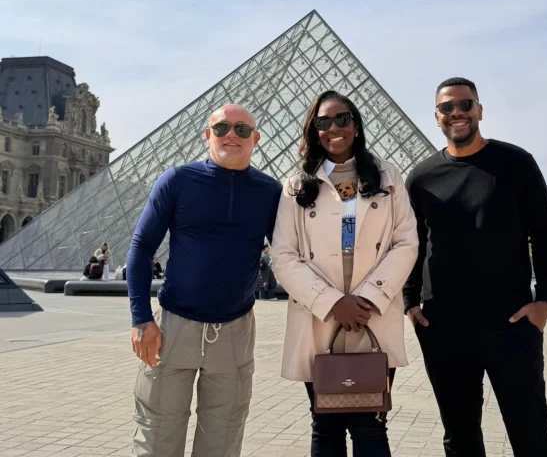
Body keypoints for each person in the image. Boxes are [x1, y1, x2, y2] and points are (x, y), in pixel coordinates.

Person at [403, 77, 547, 456]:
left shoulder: (517, 163)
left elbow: (544, 232)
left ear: (480, 110)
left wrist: (545, 301)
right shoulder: (420, 178)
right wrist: (409, 301)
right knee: (459, 436)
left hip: (511, 322)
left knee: (531, 432)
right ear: (436, 116)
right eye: (447, 107)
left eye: (465, 104)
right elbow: (411, 244)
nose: (456, 113)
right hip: (442, 326)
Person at [126, 104, 282, 457]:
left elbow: (291, 254)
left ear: (255, 139)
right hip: (172, 326)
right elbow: (140, 248)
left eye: (242, 130)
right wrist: (141, 319)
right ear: (208, 135)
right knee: (156, 437)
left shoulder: (271, 191)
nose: (232, 135)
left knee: (223, 438)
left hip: (236, 328)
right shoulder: (177, 180)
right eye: (222, 127)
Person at [272, 90, 419, 457]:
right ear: (313, 130)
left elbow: (406, 243)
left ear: (356, 126)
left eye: (343, 119)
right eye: (323, 121)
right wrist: (333, 302)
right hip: (320, 316)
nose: (334, 128)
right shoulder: (296, 185)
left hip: (372, 314)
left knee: (371, 424)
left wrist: (368, 297)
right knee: (325, 424)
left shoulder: (388, 177)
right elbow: (284, 256)